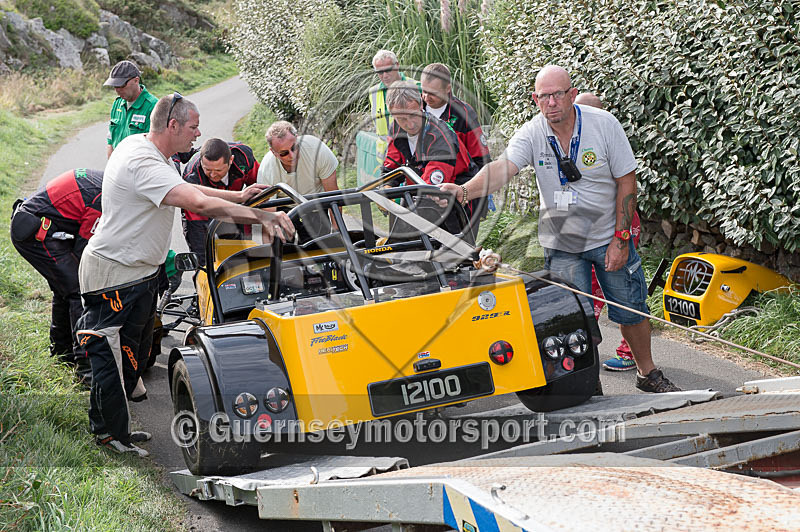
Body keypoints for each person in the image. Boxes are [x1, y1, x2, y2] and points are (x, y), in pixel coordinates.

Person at [76, 94, 295, 457]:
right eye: (193, 126)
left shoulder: (155, 154)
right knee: (111, 359)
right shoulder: (141, 162)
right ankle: (108, 435)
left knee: (134, 355)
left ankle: (119, 429)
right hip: (113, 274)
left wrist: (240, 197)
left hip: (141, 273)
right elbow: (196, 203)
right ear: (173, 126)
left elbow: (190, 188)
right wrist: (263, 217)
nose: (198, 133)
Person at [440, 65, 680, 393]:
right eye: (544, 96)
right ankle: (587, 385)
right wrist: (465, 190)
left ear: (571, 94)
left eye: (557, 94)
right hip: (562, 244)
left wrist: (622, 238)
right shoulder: (532, 132)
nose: (551, 102)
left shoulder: (604, 125)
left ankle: (647, 373)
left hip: (607, 236)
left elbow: (627, 181)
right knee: (573, 320)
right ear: (535, 100)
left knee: (632, 310)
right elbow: (502, 169)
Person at [10, 169, 103, 385]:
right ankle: (86, 369)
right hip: (34, 233)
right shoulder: (102, 198)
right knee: (79, 290)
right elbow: (85, 252)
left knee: (65, 288)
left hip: (43, 227)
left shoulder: (104, 181)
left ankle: (62, 354)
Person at [574, 92, 643, 371]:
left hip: (618, 225)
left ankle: (631, 354)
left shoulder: (609, 140)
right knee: (586, 288)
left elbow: (625, 187)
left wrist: (621, 235)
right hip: (585, 227)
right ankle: (584, 349)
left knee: (622, 286)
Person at [182, 138, 261, 266]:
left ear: (231, 161)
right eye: (207, 169)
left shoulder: (244, 157)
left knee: (240, 255)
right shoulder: (192, 175)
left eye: (218, 170)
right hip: (199, 211)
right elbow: (196, 223)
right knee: (203, 260)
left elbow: (260, 186)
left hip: (232, 208)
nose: (213, 175)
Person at [420, 63, 490, 170]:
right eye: (424, 91)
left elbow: (482, 159)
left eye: (433, 93)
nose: (426, 97)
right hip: (418, 179)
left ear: (448, 88)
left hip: (455, 181)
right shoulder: (414, 108)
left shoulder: (464, 113)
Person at [257, 121, 339, 196]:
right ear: (273, 152)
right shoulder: (266, 170)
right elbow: (270, 210)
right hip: (286, 209)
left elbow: (333, 196)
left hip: (318, 203)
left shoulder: (317, 150)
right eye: (284, 153)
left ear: (297, 138)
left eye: (294, 147)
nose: (292, 155)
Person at [103, 60, 158, 159]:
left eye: (121, 85)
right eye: (115, 86)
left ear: (136, 80)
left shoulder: (153, 107)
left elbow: (155, 148)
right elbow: (110, 141)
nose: (118, 90)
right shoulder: (117, 104)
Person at [368, 50, 421, 139]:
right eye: (380, 72)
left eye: (388, 70)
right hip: (385, 150)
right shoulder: (373, 92)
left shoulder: (417, 87)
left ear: (397, 65)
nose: (385, 76)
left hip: (411, 147)